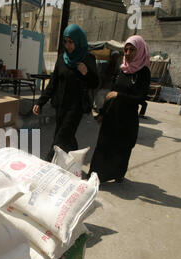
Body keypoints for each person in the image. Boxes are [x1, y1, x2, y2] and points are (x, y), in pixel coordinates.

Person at [88, 35, 151, 183]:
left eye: (132, 50)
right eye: (126, 50)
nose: (128, 53)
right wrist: (102, 113)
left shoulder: (143, 72)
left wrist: (119, 95)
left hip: (127, 119)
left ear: (140, 51)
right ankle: (95, 175)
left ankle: (116, 174)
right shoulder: (123, 70)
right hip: (111, 115)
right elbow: (111, 95)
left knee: (121, 149)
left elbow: (140, 98)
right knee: (103, 146)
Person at [33, 24, 99, 161]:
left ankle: (47, 162)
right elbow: (53, 83)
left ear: (78, 41)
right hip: (60, 106)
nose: (68, 45)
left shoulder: (87, 59)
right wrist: (40, 102)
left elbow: (96, 83)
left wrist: (86, 73)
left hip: (76, 108)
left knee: (61, 136)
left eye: (71, 42)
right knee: (65, 136)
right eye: (66, 41)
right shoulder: (62, 59)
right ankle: (74, 160)